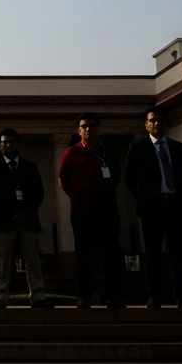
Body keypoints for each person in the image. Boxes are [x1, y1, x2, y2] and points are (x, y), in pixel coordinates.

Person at [124, 106, 182, 308]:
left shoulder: (178, 147)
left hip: (176, 206)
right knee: (153, 253)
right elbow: (130, 178)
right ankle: (154, 297)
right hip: (151, 208)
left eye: (160, 120)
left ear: (166, 123)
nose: (156, 123)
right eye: (152, 120)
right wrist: (146, 198)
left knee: (179, 253)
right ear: (146, 124)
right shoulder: (138, 148)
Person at [58, 112, 125, 308]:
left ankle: (113, 296)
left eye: (92, 125)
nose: (89, 129)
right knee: (83, 254)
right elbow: (62, 180)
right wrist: (78, 197)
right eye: (84, 126)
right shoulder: (71, 152)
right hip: (82, 212)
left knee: (110, 253)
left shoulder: (109, 152)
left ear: (98, 128)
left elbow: (116, 177)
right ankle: (84, 296)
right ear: (78, 130)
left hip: (108, 210)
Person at [0, 128, 51, 308]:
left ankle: (38, 296)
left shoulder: (30, 167)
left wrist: (25, 212)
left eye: (12, 142)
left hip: (28, 220)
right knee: (2, 261)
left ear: (18, 144)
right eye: (4, 142)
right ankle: (0, 296)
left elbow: (39, 193)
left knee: (33, 261)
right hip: (3, 220)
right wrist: (11, 212)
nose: (8, 145)